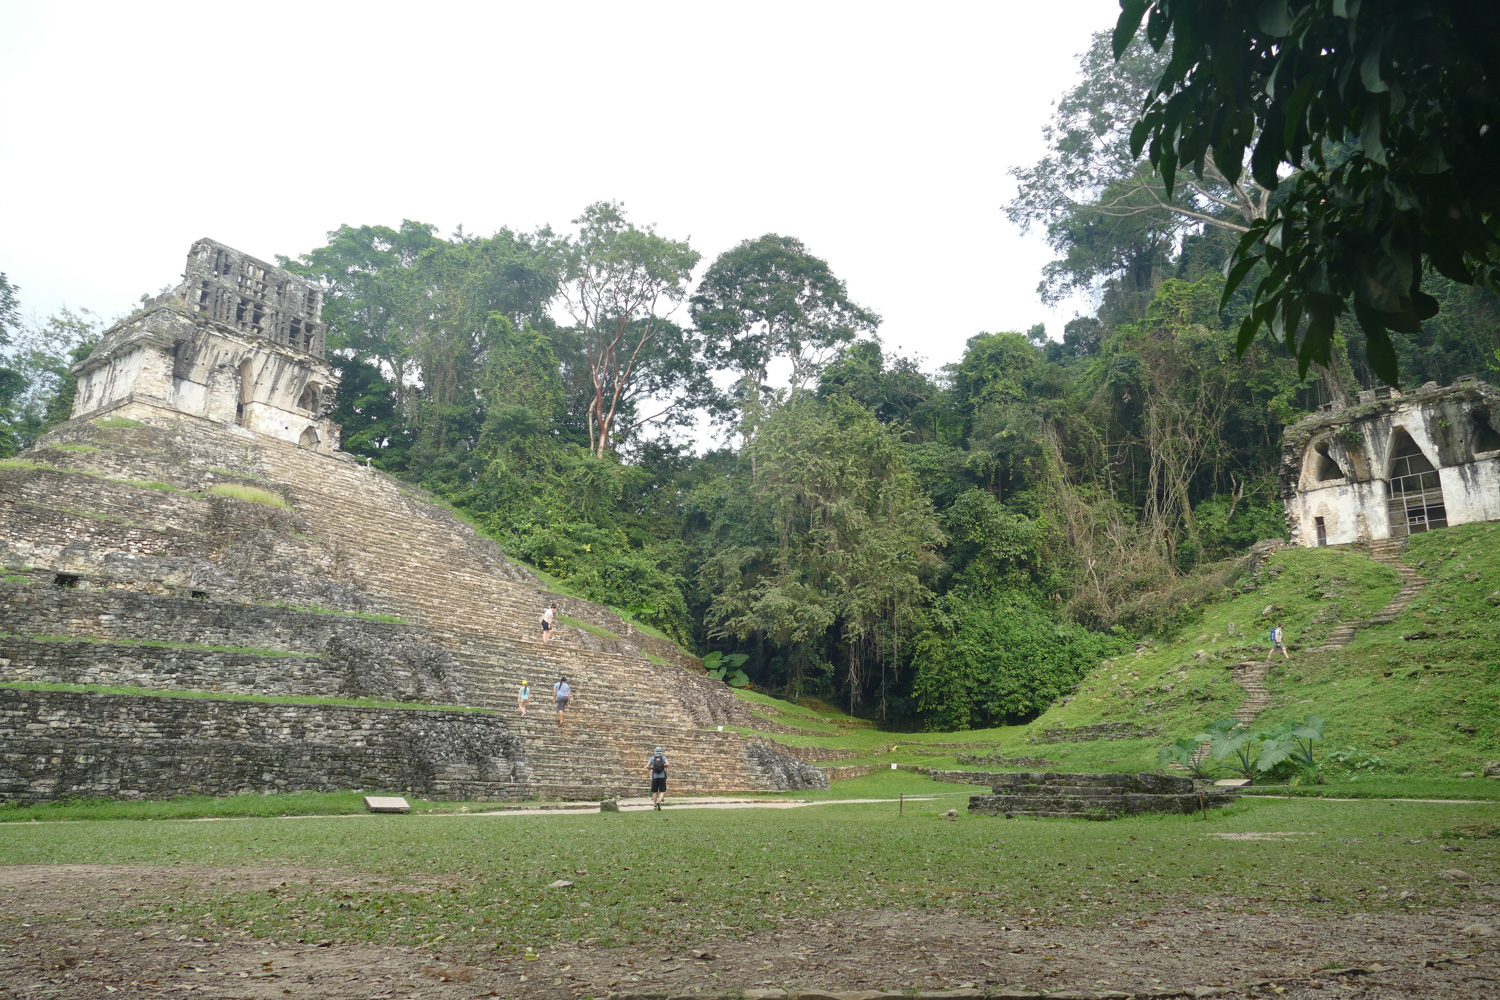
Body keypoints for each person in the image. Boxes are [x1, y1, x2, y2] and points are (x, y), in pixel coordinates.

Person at [648, 745, 668, 811]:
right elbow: (668, 764)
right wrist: (662, 766)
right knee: (662, 791)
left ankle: (654, 805)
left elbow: (647, 766)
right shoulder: (663, 758)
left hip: (655, 777)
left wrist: (653, 768)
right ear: (661, 752)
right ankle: (659, 801)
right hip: (662, 777)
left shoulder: (652, 758)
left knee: (654, 792)